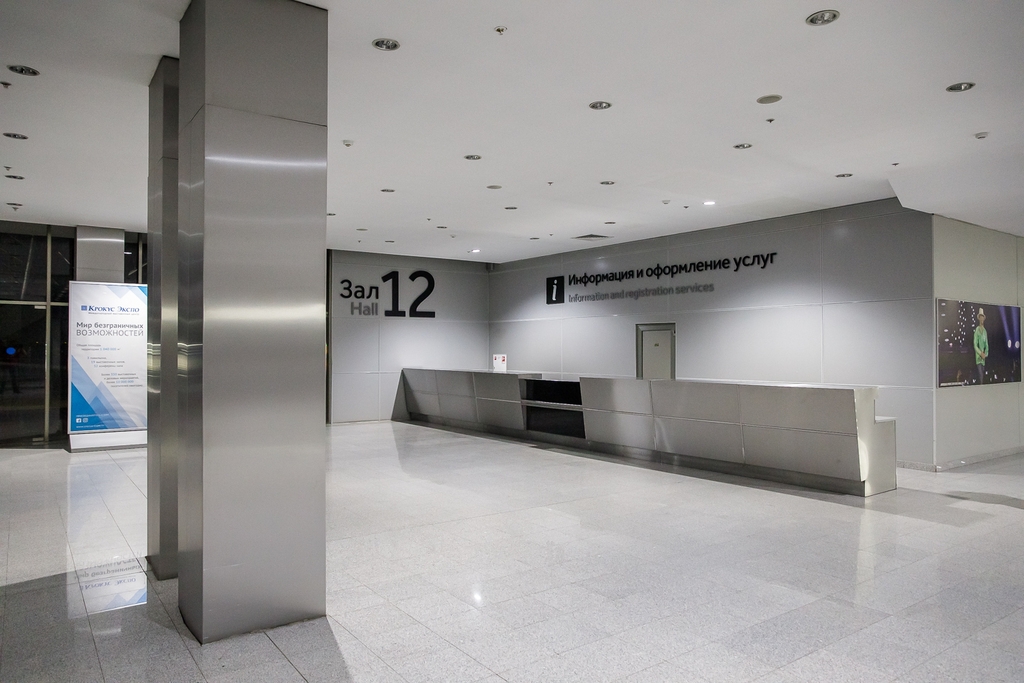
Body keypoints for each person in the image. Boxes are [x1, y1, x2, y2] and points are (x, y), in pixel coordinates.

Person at [974, 308, 989, 385]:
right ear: (979, 318)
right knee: (980, 375)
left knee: (983, 374)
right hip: (978, 357)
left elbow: (987, 344)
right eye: (980, 317)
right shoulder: (977, 330)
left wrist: (985, 354)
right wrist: (980, 353)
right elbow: (975, 344)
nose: (982, 319)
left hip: (983, 358)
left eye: (983, 317)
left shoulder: (985, 331)